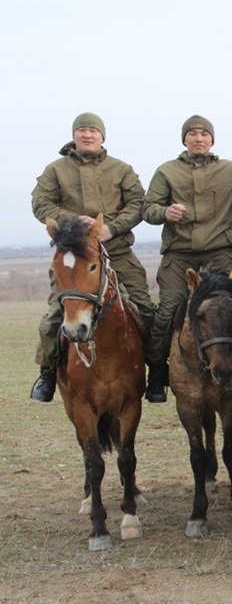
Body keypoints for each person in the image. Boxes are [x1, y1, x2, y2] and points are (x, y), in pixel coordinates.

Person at [30, 112, 155, 402]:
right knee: (51, 318)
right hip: (74, 256)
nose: (87, 135)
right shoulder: (56, 170)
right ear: (74, 135)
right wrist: (75, 222)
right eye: (82, 130)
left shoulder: (121, 169)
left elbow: (138, 203)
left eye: (93, 131)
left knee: (147, 310)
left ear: (102, 137)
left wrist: (111, 228)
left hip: (118, 251)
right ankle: (48, 373)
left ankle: (157, 371)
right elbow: (41, 203)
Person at [142, 115, 232, 402]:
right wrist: (164, 212)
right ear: (184, 140)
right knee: (166, 312)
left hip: (219, 253)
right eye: (192, 134)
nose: (199, 138)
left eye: (204, 134)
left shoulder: (229, 170)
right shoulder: (167, 171)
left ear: (212, 140)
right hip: (179, 256)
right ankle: (157, 373)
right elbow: (148, 208)